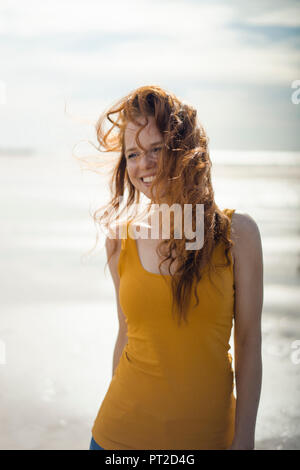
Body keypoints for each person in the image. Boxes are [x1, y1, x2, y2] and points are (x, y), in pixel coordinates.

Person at [88, 85, 263, 450]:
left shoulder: (237, 234)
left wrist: (245, 436)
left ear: (183, 149)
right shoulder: (120, 238)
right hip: (117, 438)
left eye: (156, 149)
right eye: (133, 153)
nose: (143, 165)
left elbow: (247, 341)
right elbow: (125, 335)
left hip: (210, 439)